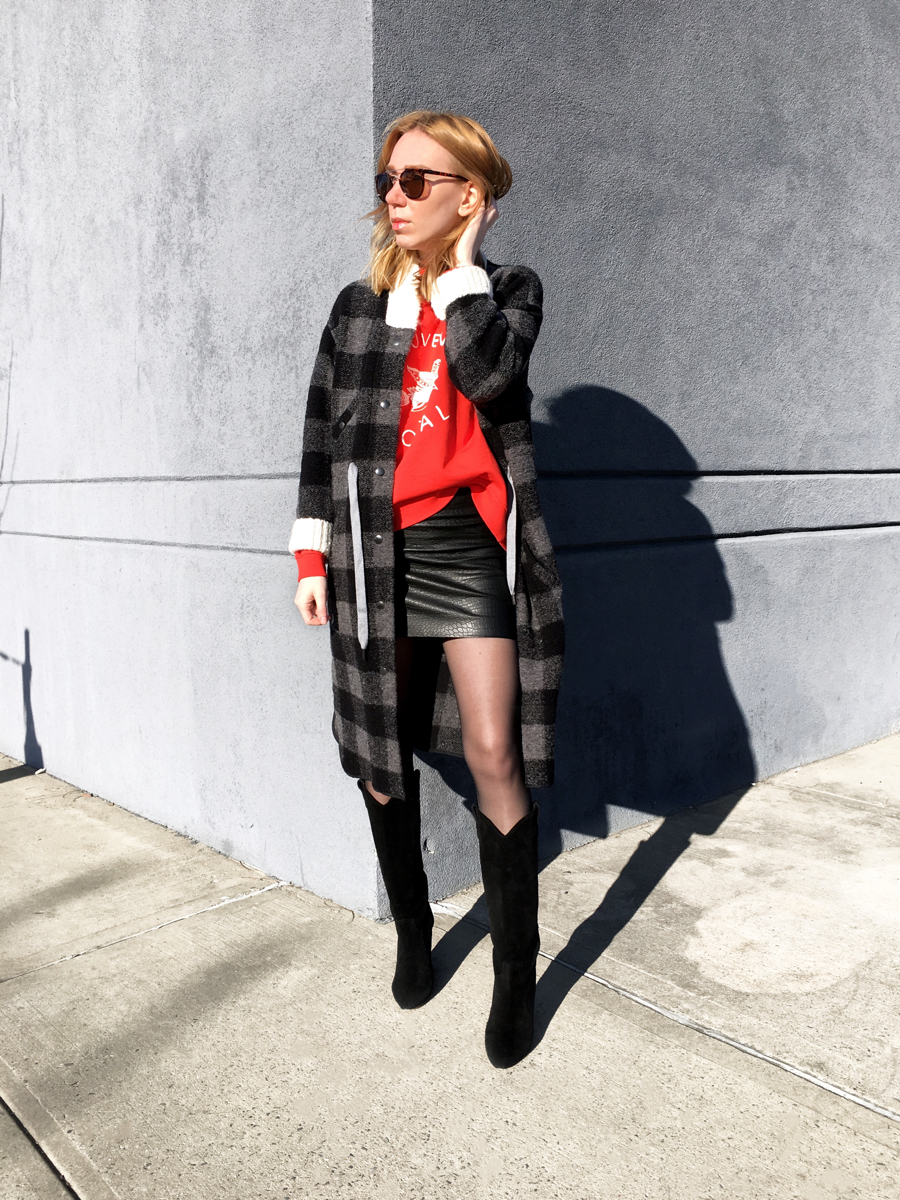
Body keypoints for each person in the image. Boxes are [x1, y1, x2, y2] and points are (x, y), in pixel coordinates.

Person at [290, 111, 564, 1068]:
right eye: (387, 179)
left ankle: (516, 971)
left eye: (416, 180)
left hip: (465, 549)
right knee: (381, 750)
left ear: (468, 195)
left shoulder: (507, 295)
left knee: (496, 751)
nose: (393, 196)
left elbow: (492, 381)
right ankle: (414, 927)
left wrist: (461, 276)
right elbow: (323, 438)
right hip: (372, 551)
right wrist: (309, 560)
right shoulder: (355, 309)